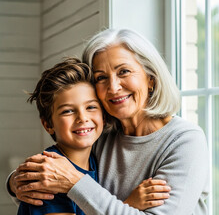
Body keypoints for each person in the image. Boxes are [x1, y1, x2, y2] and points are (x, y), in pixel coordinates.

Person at [8, 29, 209, 214]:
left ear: (151, 79)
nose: (113, 87)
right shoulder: (97, 135)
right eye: (101, 77)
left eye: (124, 72)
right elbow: (53, 183)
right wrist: (15, 182)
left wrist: (75, 182)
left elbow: (72, 184)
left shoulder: (185, 140)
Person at [14, 57, 170, 215]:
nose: (82, 118)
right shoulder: (49, 174)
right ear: (48, 125)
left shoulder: (95, 162)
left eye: (91, 107)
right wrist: (130, 205)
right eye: (68, 111)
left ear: (103, 115)